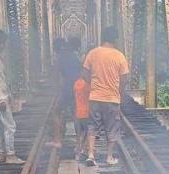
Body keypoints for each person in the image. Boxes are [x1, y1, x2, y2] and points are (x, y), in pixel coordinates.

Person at [82, 26, 129, 166]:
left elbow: (84, 73)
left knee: (92, 126)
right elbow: (125, 78)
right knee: (112, 127)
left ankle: (90, 154)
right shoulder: (119, 56)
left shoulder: (93, 53)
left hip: (95, 97)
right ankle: (109, 157)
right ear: (115, 39)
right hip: (112, 98)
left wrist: (93, 84)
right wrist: (118, 90)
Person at [0, 29, 24, 164]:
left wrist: (8, 95)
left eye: (3, 43)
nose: (1, 46)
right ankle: (10, 155)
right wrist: (1, 98)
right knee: (10, 125)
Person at [47, 36, 82, 149]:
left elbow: (56, 75)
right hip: (77, 88)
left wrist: (57, 89)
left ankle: (57, 140)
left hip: (66, 88)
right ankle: (79, 143)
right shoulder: (75, 56)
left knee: (56, 112)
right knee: (76, 115)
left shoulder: (60, 56)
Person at [72, 73, 90, 161]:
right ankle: (83, 149)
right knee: (86, 132)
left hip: (77, 111)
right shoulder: (88, 85)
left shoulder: (76, 84)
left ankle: (78, 151)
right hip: (86, 112)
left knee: (78, 134)